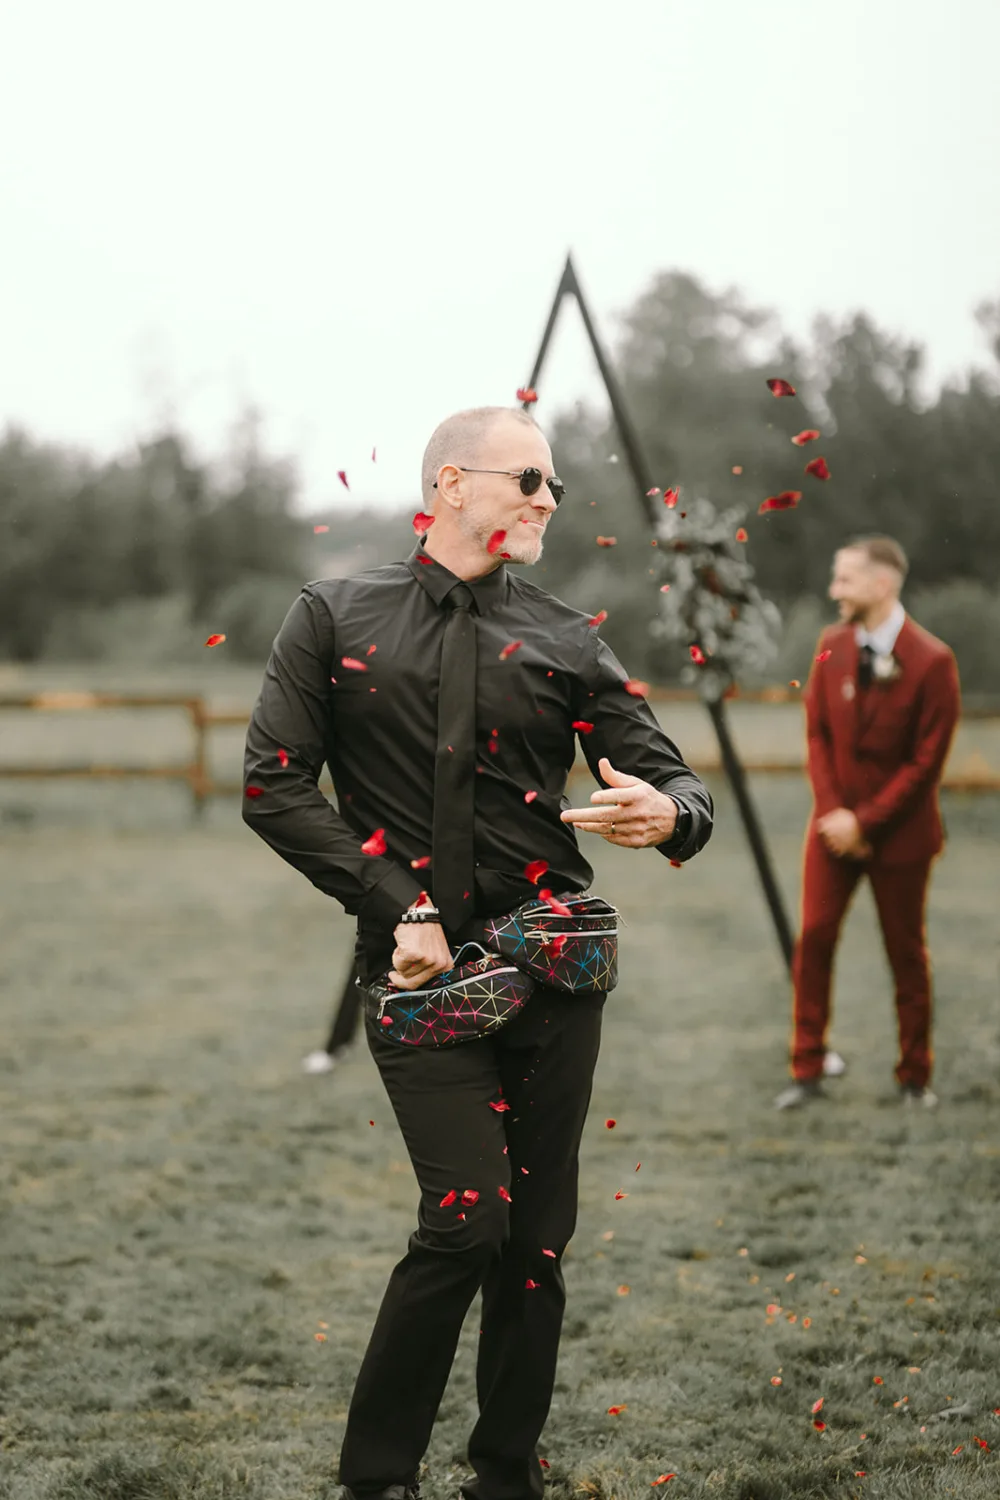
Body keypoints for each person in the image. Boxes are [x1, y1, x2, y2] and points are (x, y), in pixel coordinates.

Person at [242, 405, 713, 1500]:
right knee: (467, 1221)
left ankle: (506, 1472)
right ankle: (376, 1479)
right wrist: (398, 901)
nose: (550, 500)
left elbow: (672, 777)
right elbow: (272, 784)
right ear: (451, 484)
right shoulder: (331, 614)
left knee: (535, 1241)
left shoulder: (567, 636)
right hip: (420, 983)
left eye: (552, 487)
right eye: (531, 481)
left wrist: (670, 813)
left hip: (553, 972)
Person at [775, 535, 960, 1111]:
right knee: (816, 941)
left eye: (845, 579)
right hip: (831, 832)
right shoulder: (830, 646)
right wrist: (834, 814)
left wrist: (866, 823)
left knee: (906, 954)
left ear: (882, 585)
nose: (835, 591)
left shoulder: (934, 661)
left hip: (901, 838)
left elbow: (927, 763)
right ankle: (806, 1070)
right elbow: (817, 736)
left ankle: (914, 1078)